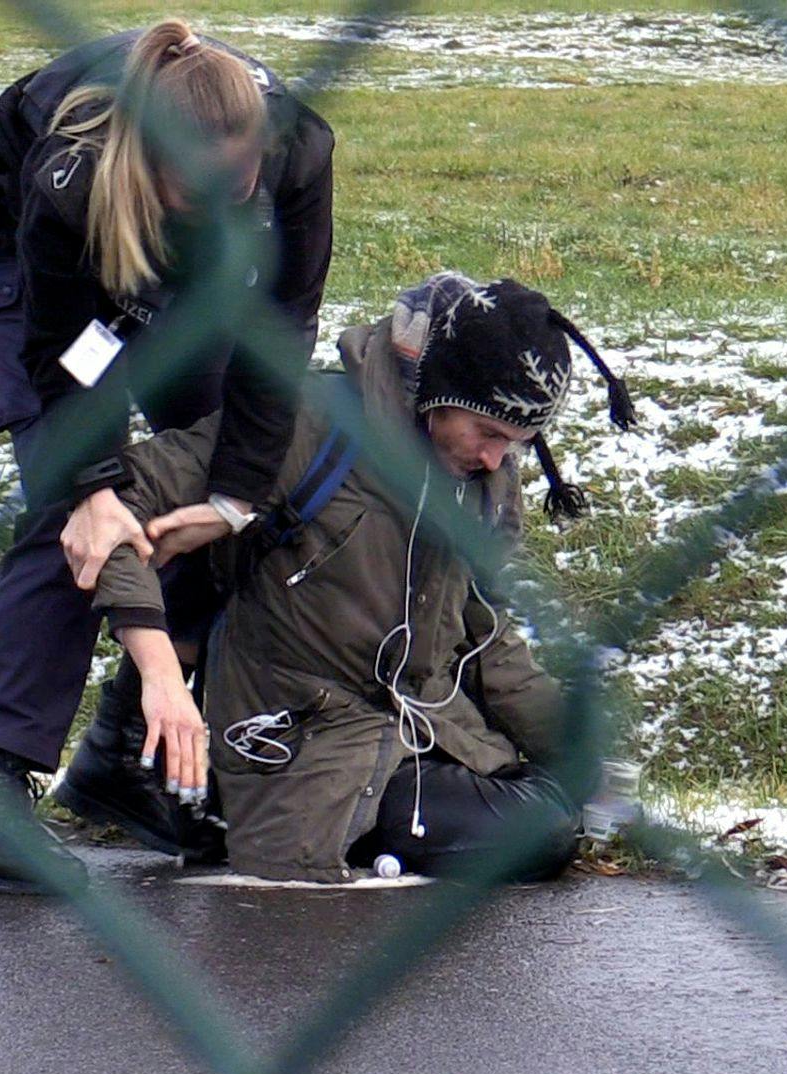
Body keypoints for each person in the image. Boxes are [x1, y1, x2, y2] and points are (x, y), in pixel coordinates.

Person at [0, 20, 335, 892]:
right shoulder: (71, 177)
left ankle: (123, 756)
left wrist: (233, 495)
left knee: (217, 477)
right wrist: (94, 486)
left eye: (240, 188)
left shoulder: (298, 149)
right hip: (48, 289)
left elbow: (281, 333)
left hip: (181, 286)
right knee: (73, 510)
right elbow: (66, 360)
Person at [89, 273, 638, 882]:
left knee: (555, 806)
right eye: (488, 433)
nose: (495, 459)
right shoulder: (303, 423)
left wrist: (584, 763)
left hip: (419, 726)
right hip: (296, 737)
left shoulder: (484, 483)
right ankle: (203, 796)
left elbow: (487, 639)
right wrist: (157, 671)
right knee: (536, 834)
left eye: (517, 444)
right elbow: (112, 511)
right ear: (439, 391)